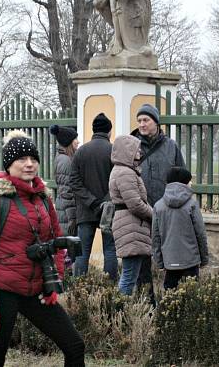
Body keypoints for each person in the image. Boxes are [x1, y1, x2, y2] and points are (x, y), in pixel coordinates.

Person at [0, 130, 85, 367]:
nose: (29, 164)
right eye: (21, 160)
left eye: (33, 159)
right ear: (9, 165)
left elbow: (57, 240)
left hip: (36, 289)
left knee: (74, 345)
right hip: (3, 290)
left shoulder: (43, 197)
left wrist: (55, 282)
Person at [132, 103, 185, 300]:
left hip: (167, 211)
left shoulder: (171, 146)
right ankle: (147, 302)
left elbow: (182, 176)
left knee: (172, 256)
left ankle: (173, 300)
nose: (142, 124)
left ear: (156, 122)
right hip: (141, 212)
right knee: (143, 260)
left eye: (146, 120)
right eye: (139, 121)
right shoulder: (132, 145)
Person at [70, 112, 118, 280]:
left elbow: (74, 182)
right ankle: (109, 288)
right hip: (109, 210)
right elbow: (117, 181)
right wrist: (103, 202)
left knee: (82, 253)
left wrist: (91, 202)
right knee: (110, 250)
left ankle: (79, 289)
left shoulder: (81, 152)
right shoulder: (114, 151)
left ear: (93, 130)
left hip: (85, 209)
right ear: (109, 131)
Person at [108, 134, 153, 296]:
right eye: (136, 149)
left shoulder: (124, 170)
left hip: (131, 225)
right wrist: (154, 215)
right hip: (131, 226)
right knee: (129, 276)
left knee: (131, 275)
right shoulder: (125, 172)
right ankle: (118, 313)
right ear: (127, 151)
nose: (139, 152)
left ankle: (124, 311)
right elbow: (135, 204)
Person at [152, 167, 209, 290]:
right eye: (189, 181)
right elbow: (200, 233)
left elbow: (155, 237)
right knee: (191, 296)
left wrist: (159, 262)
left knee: (170, 297)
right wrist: (204, 259)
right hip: (190, 260)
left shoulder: (158, 206)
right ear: (184, 183)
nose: (191, 183)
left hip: (169, 260)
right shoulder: (192, 205)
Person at [51, 124, 79, 269]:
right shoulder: (65, 161)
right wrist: (72, 217)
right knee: (68, 251)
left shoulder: (64, 158)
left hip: (64, 210)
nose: (78, 142)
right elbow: (67, 192)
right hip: (66, 213)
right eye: (75, 139)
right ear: (69, 142)